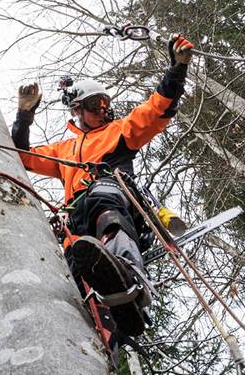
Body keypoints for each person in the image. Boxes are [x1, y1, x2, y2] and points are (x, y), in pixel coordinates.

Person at [10, 34, 193, 338]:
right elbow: (22, 158)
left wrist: (177, 69)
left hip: (109, 198)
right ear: (77, 110)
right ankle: (102, 331)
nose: (103, 110)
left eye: (106, 104)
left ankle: (128, 274)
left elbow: (158, 108)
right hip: (75, 223)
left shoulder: (121, 131)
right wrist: (24, 115)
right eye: (95, 105)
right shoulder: (64, 150)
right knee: (72, 270)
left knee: (102, 202)